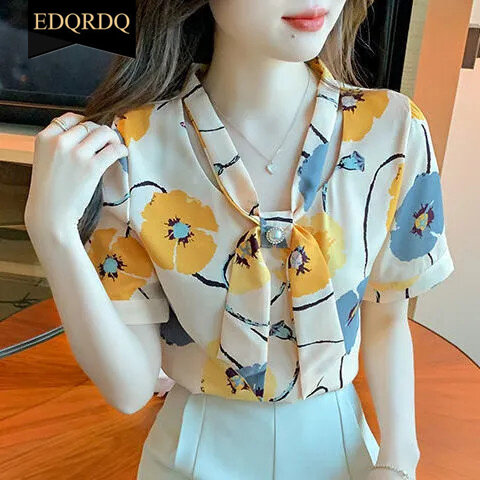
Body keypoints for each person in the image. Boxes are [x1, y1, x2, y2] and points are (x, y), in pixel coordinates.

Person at [25, 1, 455, 479]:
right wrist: (52, 231)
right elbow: (130, 390)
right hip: (188, 458)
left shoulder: (393, 132)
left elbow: (387, 317)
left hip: (342, 455)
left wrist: (398, 462)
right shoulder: (134, 146)